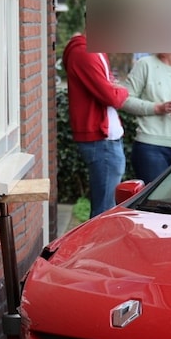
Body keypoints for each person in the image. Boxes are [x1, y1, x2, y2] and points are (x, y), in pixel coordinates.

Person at [63, 30, 129, 217]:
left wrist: (115, 89)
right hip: (101, 141)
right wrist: (123, 91)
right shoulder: (85, 52)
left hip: (105, 139)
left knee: (106, 206)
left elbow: (110, 87)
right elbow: (112, 96)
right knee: (104, 211)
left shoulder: (96, 50)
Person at [119, 53, 171, 184]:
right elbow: (125, 100)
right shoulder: (144, 64)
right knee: (156, 197)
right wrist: (157, 108)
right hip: (150, 146)